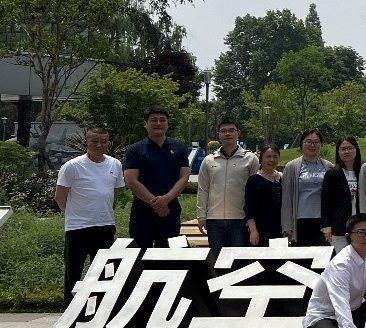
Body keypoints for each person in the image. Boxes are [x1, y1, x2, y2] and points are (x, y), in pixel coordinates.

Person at [56, 127, 124, 305]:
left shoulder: (115, 164)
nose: (99, 145)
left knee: (105, 273)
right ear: (85, 142)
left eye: (104, 141)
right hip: (78, 227)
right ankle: (70, 311)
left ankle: (101, 310)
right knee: (74, 272)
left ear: (108, 143)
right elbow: (60, 196)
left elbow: (114, 192)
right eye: (94, 141)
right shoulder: (72, 166)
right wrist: (74, 214)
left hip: (105, 226)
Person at [302, 213, 366, 328]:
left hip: (352, 310)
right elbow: (341, 306)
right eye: (361, 232)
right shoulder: (341, 265)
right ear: (349, 236)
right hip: (324, 318)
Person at [122, 106, 191, 248]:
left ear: (167, 123)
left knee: (168, 253)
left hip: (170, 208)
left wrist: (166, 199)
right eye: (153, 120)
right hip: (143, 209)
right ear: (145, 124)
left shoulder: (179, 148)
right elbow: (131, 180)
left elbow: (184, 177)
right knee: (140, 252)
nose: (158, 123)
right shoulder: (135, 149)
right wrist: (156, 204)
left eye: (162, 120)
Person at [196, 118, 260, 253]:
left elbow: (255, 192)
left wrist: (252, 219)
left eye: (231, 130)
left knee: (237, 260)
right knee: (217, 259)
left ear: (238, 133)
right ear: (218, 134)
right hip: (214, 220)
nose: (227, 134)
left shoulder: (250, 159)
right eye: (223, 131)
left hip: (240, 219)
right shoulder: (209, 160)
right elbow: (203, 189)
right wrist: (201, 215)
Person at [282, 128, 334, 246]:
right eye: (308, 142)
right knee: (301, 255)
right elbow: (286, 199)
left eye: (316, 142)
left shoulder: (328, 166)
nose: (312, 145)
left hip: (323, 222)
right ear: (301, 144)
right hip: (300, 221)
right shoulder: (291, 167)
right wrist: (287, 225)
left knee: (323, 255)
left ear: (321, 144)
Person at [322, 137, 361, 251]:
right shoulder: (332, 174)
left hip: (360, 225)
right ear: (338, 152)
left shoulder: (363, 171)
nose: (346, 151)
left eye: (350, 148)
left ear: (356, 150)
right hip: (339, 226)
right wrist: (326, 226)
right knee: (342, 258)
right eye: (343, 149)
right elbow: (325, 202)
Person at [245, 144, 284, 246]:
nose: (272, 160)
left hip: (279, 229)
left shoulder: (281, 178)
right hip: (260, 230)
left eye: (275, 156)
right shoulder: (254, 180)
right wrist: (253, 230)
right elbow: (249, 208)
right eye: (268, 156)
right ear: (261, 159)